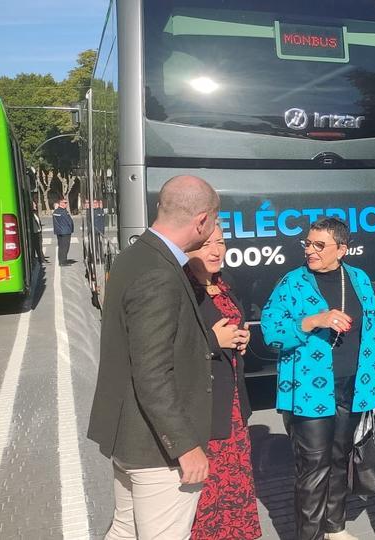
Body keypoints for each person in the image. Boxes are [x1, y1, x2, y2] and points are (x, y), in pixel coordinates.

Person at [87, 175, 222, 539]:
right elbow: (152, 372)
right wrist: (186, 446)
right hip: (156, 450)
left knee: (124, 531)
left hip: (128, 437)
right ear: (202, 221)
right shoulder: (161, 274)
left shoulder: (135, 255)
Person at [261, 217, 375, 540]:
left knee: (341, 459)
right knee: (313, 470)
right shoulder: (292, 282)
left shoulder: (358, 279)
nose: (310, 251)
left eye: (319, 245)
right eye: (307, 243)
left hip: (352, 386)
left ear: (341, 249)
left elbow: (372, 330)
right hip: (307, 393)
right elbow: (270, 331)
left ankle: (335, 527)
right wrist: (311, 321)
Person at [184, 223, 261, 540]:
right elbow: (166, 348)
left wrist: (242, 338)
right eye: (205, 244)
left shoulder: (224, 283)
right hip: (205, 412)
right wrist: (213, 341)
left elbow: (232, 325)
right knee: (208, 502)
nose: (216, 250)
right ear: (186, 249)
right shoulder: (181, 289)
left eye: (221, 242)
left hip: (233, 409)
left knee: (235, 496)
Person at [51, 194, 74, 265]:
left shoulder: (55, 212)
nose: (66, 204)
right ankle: (63, 261)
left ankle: (61, 260)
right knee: (65, 247)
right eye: (65, 203)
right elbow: (69, 221)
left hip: (59, 232)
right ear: (60, 203)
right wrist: (72, 229)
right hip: (65, 231)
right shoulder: (64, 212)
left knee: (60, 247)